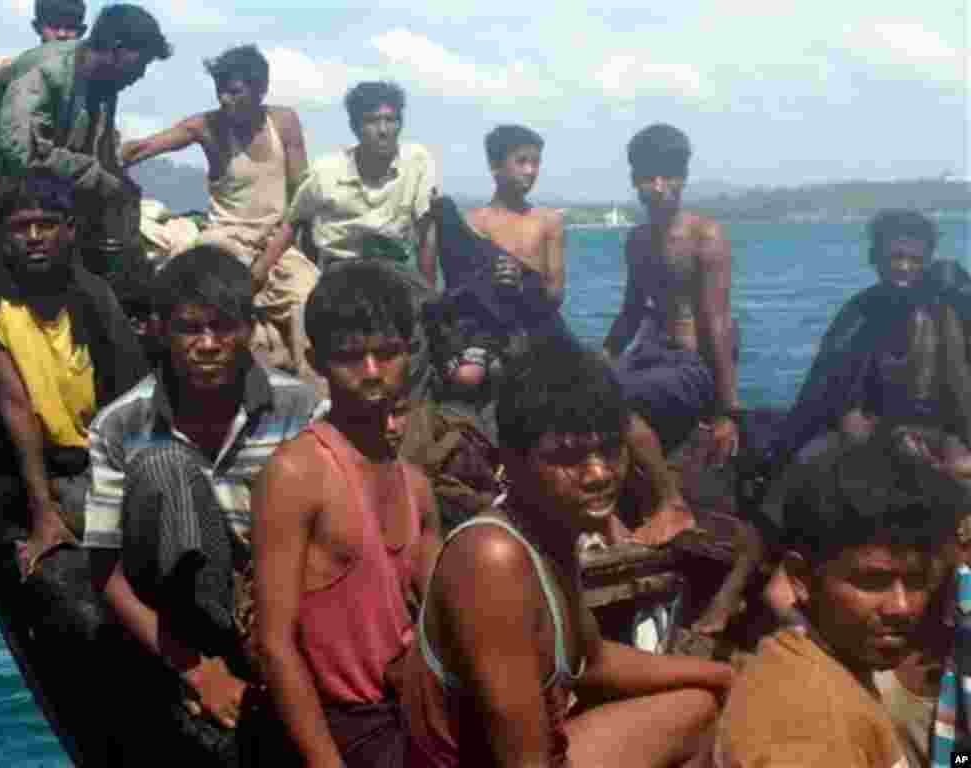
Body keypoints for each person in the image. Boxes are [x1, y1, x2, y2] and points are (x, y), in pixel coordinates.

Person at [403, 332, 734, 768]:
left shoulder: (552, 531)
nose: (598, 474)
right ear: (513, 461)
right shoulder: (493, 559)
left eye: (609, 450)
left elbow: (592, 662)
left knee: (702, 704)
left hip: (544, 745)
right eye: (568, 457)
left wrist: (724, 674)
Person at [82, 245, 322, 745]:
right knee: (167, 468)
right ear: (162, 331)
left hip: (275, 598)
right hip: (181, 611)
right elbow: (105, 570)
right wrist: (194, 669)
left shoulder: (300, 408)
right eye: (190, 328)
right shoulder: (120, 424)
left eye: (223, 327)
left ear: (249, 329)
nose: (208, 344)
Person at [251, 260, 440, 767]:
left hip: (412, 708)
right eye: (351, 357)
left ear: (410, 353)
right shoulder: (297, 473)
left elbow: (442, 616)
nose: (373, 372)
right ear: (315, 360)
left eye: (388, 353)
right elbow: (274, 644)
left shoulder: (416, 486)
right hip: (345, 728)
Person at [714, 428, 966, 767]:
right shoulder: (810, 732)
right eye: (872, 581)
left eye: (918, 581)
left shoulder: (830, 668)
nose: (901, 607)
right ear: (801, 579)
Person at [0, 170, 147, 579]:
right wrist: (41, 513)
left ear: (70, 230)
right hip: (26, 477)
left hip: (94, 464)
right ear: (3, 233)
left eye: (47, 225)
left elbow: (133, 394)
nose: (34, 236)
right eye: (21, 227)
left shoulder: (94, 297)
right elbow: (13, 408)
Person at [120, 44, 317, 380]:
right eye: (220, 91)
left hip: (278, 244)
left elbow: (301, 203)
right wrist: (105, 155)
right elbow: (144, 147)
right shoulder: (207, 127)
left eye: (235, 91)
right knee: (194, 292)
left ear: (260, 90)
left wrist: (266, 264)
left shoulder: (283, 123)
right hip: (225, 239)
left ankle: (317, 404)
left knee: (310, 299)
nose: (225, 99)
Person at [0, 4, 170, 266]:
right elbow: (23, 154)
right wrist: (97, 176)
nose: (141, 74)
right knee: (9, 230)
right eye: (141, 63)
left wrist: (120, 189)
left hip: (39, 186)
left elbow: (103, 157)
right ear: (117, 49)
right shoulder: (45, 70)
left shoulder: (105, 84)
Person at [264, 80, 438, 396]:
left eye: (391, 120)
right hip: (341, 269)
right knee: (324, 331)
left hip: (393, 270)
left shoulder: (417, 161)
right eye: (373, 121)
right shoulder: (327, 171)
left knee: (424, 334)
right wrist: (255, 276)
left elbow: (427, 230)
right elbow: (293, 223)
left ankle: (407, 412)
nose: (384, 130)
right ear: (356, 127)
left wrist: (428, 291)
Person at [767, 210, 971, 470]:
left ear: (927, 261)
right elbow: (821, 388)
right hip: (883, 430)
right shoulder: (859, 313)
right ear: (876, 258)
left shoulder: (950, 306)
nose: (904, 266)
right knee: (814, 457)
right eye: (896, 257)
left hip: (944, 430)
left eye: (915, 259)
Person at [603, 124, 738, 462]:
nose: (659, 187)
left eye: (669, 175)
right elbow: (630, 314)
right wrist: (596, 362)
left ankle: (667, 500)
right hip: (650, 357)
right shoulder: (637, 241)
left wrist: (726, 413)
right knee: (579, 392)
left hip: (692, 366)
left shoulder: (705, 236)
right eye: (649, 177)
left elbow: (717, 324)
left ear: (684, 177)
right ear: (635, 181)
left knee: (613, 398)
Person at [429, 124, 568, 398]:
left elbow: (556, 294)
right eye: (521, 161)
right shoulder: (471, 224)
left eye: (536, 162)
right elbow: (458, 288)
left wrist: (523, 284)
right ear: (495, 166)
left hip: (532, 326)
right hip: (483, 330)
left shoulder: (549, 222)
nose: (530, 170)